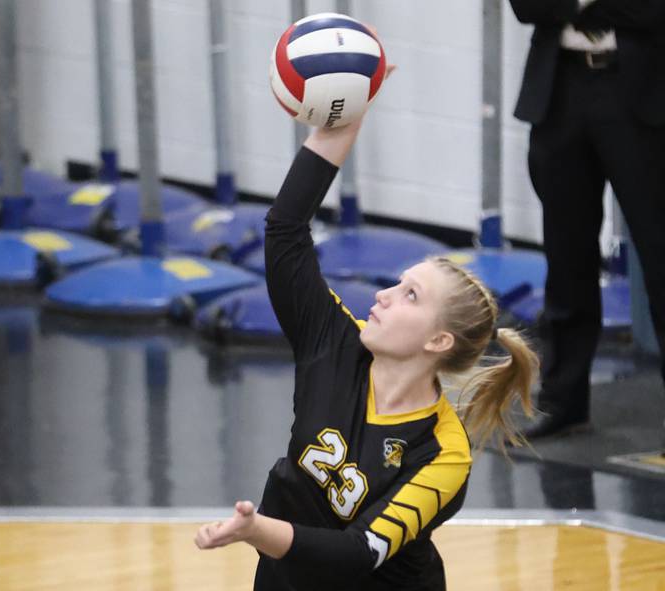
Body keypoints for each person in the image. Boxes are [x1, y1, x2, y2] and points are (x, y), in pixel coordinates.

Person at [194, 89, 540, 588]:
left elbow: (358, 553)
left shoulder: (443, 453)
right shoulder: (334, 341)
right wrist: (343, 117)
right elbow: (285, 231)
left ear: (439, 341)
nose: (384, 295)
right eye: (397, 284)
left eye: (410, 295)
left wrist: (256, 530)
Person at [508, 0, 665, 439]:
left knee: (659, 252)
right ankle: (564, 401)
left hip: (642, 93)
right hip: (560, 89)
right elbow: (526, 6)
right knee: (565, 252)